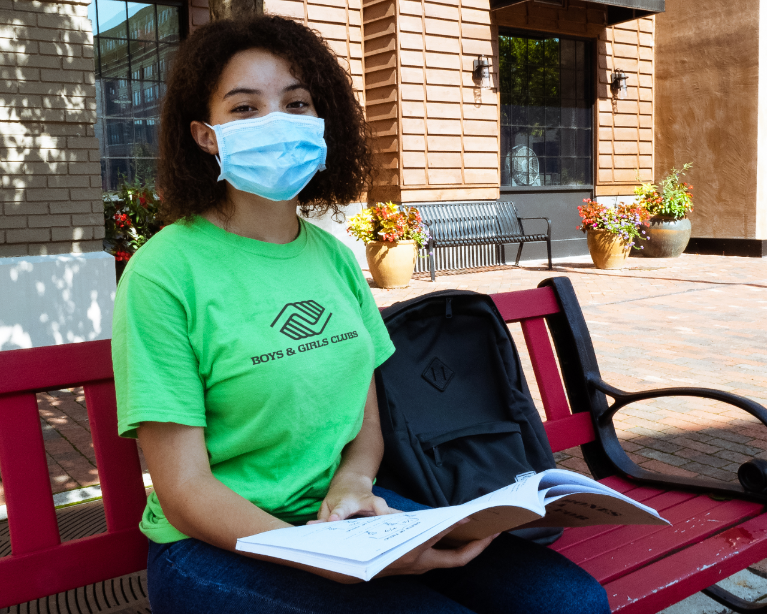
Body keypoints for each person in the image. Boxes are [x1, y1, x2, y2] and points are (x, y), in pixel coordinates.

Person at [111, 14, 611, 614]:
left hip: (348, 518)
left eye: (296, 103)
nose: (276, 121)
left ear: (324, 125)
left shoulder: (335, 257)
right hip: (215, 546)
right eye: (245, 108)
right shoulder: (163, 273)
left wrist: (354, 482)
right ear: (204, 135)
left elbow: (364, 421)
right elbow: (184, 489)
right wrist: (325, 557)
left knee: (571, 602)